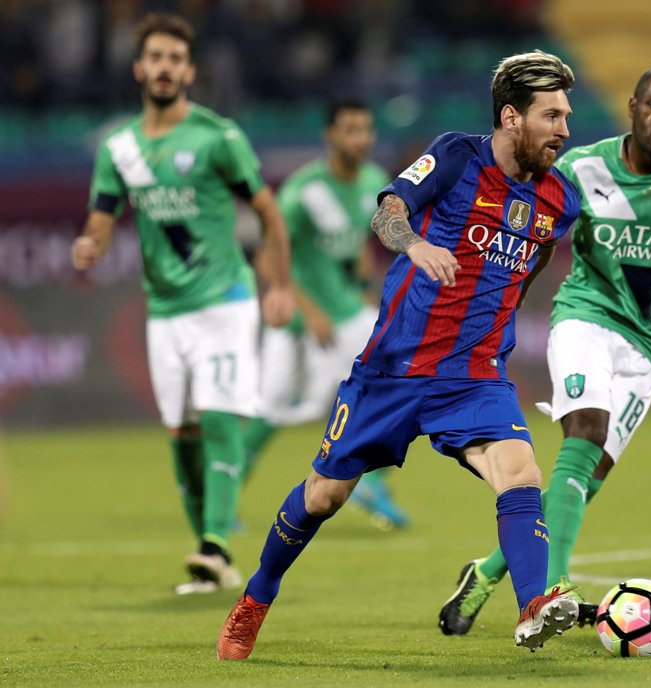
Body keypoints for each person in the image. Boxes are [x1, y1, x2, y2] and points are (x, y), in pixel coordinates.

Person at [216, 49, 580, 661]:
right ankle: (256, 596)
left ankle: (533, 603)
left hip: (474, 375)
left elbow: (536, 257)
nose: (565, 130)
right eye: (552, 116)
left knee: (520, 471)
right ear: (512, 117)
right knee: (323, 496)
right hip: (393, 370)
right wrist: (412, 244)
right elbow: (388, 213)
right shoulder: (458, 156)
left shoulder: (557, 200)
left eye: (567, 116)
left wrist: (500, 307)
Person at [438, 65, 651, 635]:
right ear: (633, 106)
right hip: (583, 318)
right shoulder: (582, 168)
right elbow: (535, 237)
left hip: (647, 346)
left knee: (586, 477)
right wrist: (503, 310)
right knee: (584, 431)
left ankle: (487, 571)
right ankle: (549, 593)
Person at [71, 13, 294, 595]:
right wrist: (89, 244)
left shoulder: (219, 137)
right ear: (139, 68)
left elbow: (269, 213)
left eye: (176, 59)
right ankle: (213, 558)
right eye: (157, 58)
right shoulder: (118, 148)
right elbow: (101, 217)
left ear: (189, 71)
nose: (166, 68)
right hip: (165, 313)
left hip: (225, 301)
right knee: (182, 438)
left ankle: (214, 543)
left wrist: (280, 285)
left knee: (221, 419)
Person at [241, 98, 408, 530]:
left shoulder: (373, 180)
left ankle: (373, 483)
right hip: (301, 321)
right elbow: (266, 257)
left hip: (349, 312)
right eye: (350, 129)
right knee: (274, 406)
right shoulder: (304, 192)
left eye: (366, 129)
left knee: (405, 384)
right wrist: (308, 310)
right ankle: (223, 497)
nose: (361, 139)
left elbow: (356, 251)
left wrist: (370, 292)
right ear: (331, 136)